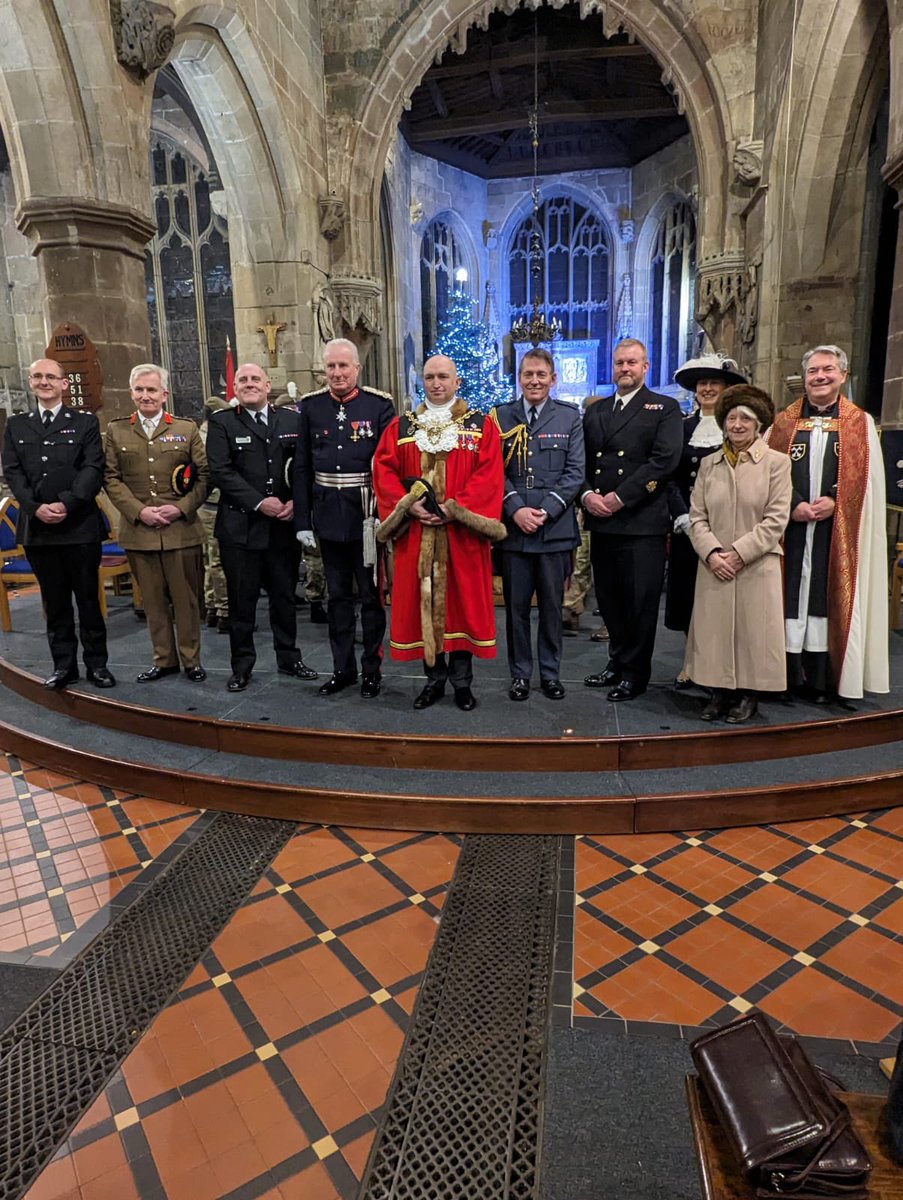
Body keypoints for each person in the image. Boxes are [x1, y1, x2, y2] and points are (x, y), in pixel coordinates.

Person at [373, 354, 506, 711]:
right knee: (423, 605)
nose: (436, 383)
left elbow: (490, 474)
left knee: (461, 607)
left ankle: (463, 683)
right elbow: (382, 471)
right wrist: (407, 504)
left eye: (443, 377)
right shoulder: (402, 428)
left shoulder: (481, 426)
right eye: (430, 377)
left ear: (456, 381)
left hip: (462, 536)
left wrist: (455, 509)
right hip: (416, 535)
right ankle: (433, 681)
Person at [767, 345, 888, 702]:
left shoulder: (859, 423)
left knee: (823, 595)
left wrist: (837, 501)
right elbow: (768, 476)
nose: (820, 377)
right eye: (813, 371)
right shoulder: (783, 422)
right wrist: (793, 506)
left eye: (828, 370)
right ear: (803, 378)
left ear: (843, 375)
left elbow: (868, 481)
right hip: (792, 527)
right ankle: (786, 679)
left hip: (837, 531)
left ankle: (823, 681)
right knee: (790, 596)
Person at [1, 358, 114, 689]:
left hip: (79, 525)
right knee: (54, 601)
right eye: (38, 376)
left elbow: (93, 468)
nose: (44, 381)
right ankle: (64, 666)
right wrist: (35, 507)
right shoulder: (17, 425)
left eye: (51, 376)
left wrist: (66, 503)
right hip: (38, 528)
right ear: (31, 382)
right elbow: (13, 472)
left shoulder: (85, 423)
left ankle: (98, 665)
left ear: (64, 384)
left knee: (89, 600)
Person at [206, 361, 318, 692]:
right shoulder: (222, 423)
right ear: (234, 388)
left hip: (283, 527)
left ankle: (289, 657)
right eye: (243, 380)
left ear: (269, 386)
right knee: (242, 602)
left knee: (284, 597)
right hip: (241, 528)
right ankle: (242, 666)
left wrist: (299, 503)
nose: (250, 383)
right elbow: (221, 471)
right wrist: (259, 502)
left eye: (256, 379)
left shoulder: (292, 420)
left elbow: (304, 466)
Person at [580, 338, 683, 701]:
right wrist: (588, 494)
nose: (625, 368)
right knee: (609, 600)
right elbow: (581, 460)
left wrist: (621, 497)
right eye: (620, 363)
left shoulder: (665, 408)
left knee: (639, 603)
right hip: (602, 520)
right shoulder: (596, 411)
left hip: (642, 521)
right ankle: (616, 662)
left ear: (646, 367)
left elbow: (665, 461)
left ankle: (635, 674)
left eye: (632, 363)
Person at [294, 338, 395, 698]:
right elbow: (302, 467)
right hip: (327, 514)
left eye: (343, 366)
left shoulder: (379, 405)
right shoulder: (310, 407)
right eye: (331, 367)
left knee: (370, 597)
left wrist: (388, 517)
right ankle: (342, 669)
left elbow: (388, 466)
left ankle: (371, 669)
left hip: (367, 515)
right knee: (336, 598)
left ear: (357, 368)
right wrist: (303, 521)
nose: (336, 373)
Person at [685, 385, 792, 722]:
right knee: (714, 631)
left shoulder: (777, 463)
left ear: (759, 424)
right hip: (714, 564)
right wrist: (713, 552)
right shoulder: (708, 464)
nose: (737, 424)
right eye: (731, 418)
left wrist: (739, 554)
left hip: (756, 565)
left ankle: (749, 694)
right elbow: (697, 516)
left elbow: (776, 520)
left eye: (745, 418)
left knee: (753, 633)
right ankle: (717, 692)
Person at [104, 364, 209, 682]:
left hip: (181, 530)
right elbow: (111, 477)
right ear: (131, 393)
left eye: (152, 390)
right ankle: (164, 659)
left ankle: (191, 660)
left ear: (164, 394)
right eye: (140, 389)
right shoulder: (117, 430)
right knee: (152, 601)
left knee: (186, 601)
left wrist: (180, 509)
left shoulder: (185, 428)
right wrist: (139, 511)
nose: (146, 395)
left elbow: (204, 476)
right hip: (140, 532)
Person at [493, 348, 584, 700]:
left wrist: (545, 510)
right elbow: (492, 470)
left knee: (550, 608)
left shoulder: (569, 417)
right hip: (514, 528)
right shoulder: (501, 416)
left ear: (553, 379)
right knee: (515, 609)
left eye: (541, 375)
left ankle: (549, 673)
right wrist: (515, 509)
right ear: (520, 378)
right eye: (528, 374)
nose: (534, 380)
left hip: (554, 528)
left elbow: (575, 471)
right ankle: (520, 675)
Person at [667, 353, 747, 685]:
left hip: (730, 529)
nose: (708, 388)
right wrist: (683, 516)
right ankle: (692, 662)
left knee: (724, 601)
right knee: (689, 598)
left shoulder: (739, 426)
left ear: (727, 388)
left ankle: (726, 669)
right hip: (690, 529)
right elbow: (669, 476)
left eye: (714, 382)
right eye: (703, 383)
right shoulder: (682, 427)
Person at [198, 397, 229, 632]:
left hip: (203, 506)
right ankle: (224, 611)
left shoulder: (197, 436)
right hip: (216, 504)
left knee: (209, 559)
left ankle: (211, 607)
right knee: (219, 560)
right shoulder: (211, 440)